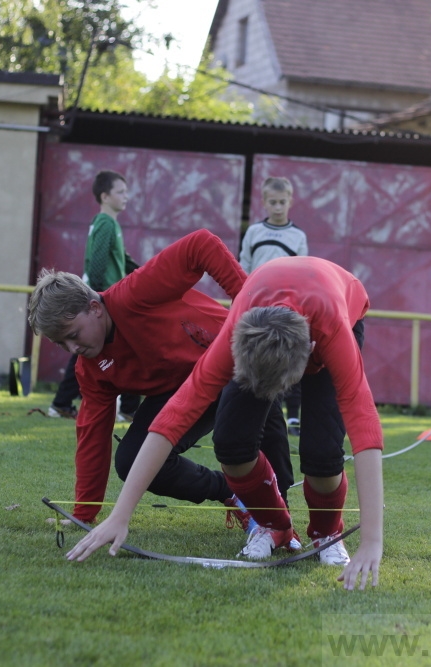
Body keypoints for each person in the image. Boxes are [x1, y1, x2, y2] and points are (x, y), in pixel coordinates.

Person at [66, 254, 385, 592]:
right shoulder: (234, 332)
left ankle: (327, 532)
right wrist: (120, 515)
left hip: (337, 305)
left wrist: (371, 542)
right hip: (266, 307)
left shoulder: (332, 333)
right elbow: (171, 420)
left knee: (322, 455)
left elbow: (365, 431)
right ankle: (273, 526)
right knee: (232, 443)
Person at [27, 229, 295, 526]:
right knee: (132, 461)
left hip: (233, 362)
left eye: (73, 335)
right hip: (181, 394)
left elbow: (201, 244)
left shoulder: (135, 293)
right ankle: (230, 492)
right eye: (62, 344)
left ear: (94, 308)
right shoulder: (89, 369)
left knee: (261, 464)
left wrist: (249, 308)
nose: (73, 348)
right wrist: (83, 514)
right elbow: (92, 437)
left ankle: (279, 513)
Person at [48, 170, 140, 422]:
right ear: (104, 196)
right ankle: (126, 408)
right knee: (129, 348)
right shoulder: (105, 223)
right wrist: (97, 299)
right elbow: (97, 263)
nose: (126, 196)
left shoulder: (107, 223)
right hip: (104, 298)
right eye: (120, 192)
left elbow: (123, 260)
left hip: (106, 297)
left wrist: (145, 273)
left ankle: (63, 403)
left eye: (126, 191)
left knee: (123, 348)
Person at [239, 177, 308, 435]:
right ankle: (256, 412)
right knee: (253, 357)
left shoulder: (298, 236)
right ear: (264, 202)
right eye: (273, 202)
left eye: (282, 202)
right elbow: (243, 266)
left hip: (286, 307)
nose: (278, 207)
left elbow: (303, 272)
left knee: (290, 355)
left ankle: (292, 416)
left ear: (290, 201)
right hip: (255, 307)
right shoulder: (254, 232)